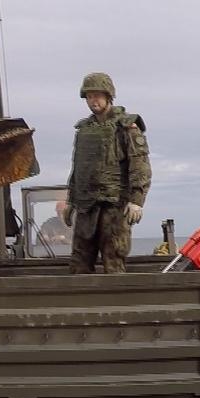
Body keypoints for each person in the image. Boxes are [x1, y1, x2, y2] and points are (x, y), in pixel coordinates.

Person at [65, 72, 151, 274]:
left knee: (114, 260)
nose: (93, 100)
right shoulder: (84, 129)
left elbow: (140, 165)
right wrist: (71, 201)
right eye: (89, 96)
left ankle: (116, 304)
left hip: (114, 205)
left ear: (108, 96)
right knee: (79, 263)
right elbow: (78, 168)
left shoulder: (126, 127)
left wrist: (137, 200)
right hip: (87, 206)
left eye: (97, 95)